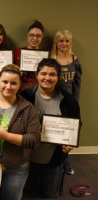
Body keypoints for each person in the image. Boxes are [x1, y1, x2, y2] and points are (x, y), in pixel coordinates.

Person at [21, 58, 81, 197]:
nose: (47, 78)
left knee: (49, 194)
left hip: (53, 160)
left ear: (58, 77)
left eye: (52, 74)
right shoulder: (25, 97)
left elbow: (77, 125)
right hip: (27, 158)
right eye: (43, 73)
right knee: (28, 193)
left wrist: (69, 143)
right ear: (37, 75)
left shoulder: (69, 101)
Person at [0, 64, 41, 200]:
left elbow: (34, 139)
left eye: (13, 83)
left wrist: (7, 136)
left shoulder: (28, 108)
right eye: (5, 82)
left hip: (16, 168)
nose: (8, 87)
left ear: (20, 84)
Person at [50, 30, 82, 175]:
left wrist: (75, 102)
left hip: (69, 102)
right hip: (54, 100)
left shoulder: (75, 60)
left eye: (67, 41)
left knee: (68, 133)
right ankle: (53, 160)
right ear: (56, 43)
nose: (64, 44)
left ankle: (65, 161)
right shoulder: (51, 59)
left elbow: (77, 83)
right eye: (61, 41)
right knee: (53, 131)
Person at [13, 20, 45, 92]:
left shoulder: (44, 55)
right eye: (32, 35)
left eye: (38, 36)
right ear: (27, 35)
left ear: (42, 36)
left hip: (38, 92)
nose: (34, 38)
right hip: (19, 92)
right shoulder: (17, 52)